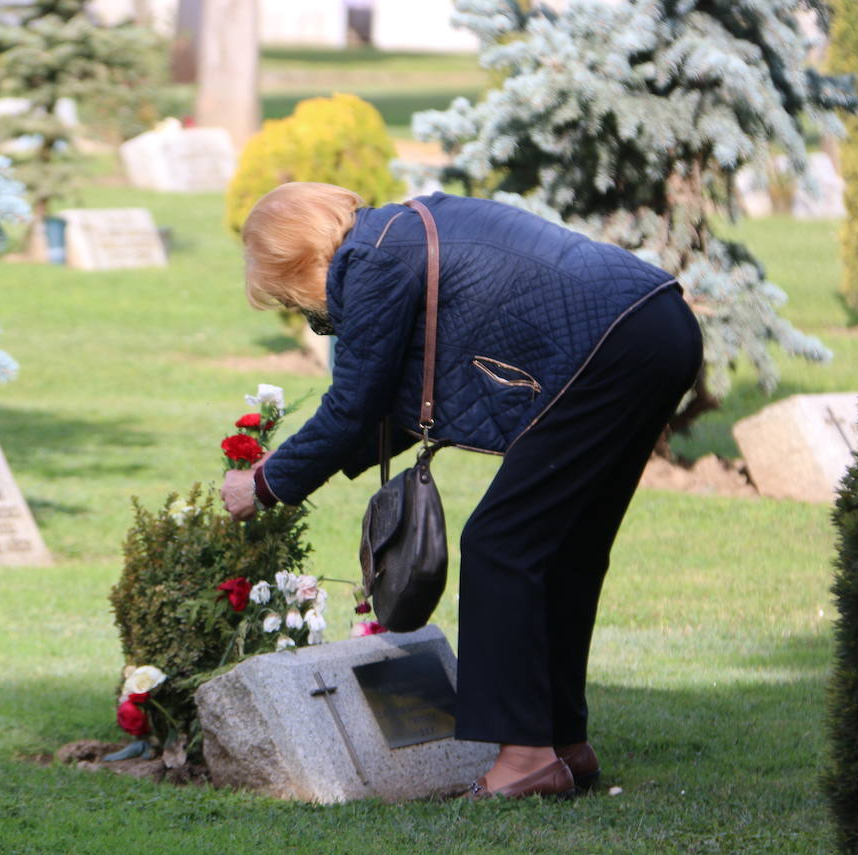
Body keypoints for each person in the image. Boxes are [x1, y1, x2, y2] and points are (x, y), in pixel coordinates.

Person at [221, 182, 703, 799]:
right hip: (659, 323)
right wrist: (290, 471)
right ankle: (562, 743)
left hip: (611, 345)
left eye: (287, 296)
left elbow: (352, 406)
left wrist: (262, 484)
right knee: (563, 549)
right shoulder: (391, 237)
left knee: (502, 544)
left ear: (293, 264)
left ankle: (527, 756)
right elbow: (388, 401)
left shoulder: (369, 260)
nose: (304, 313)